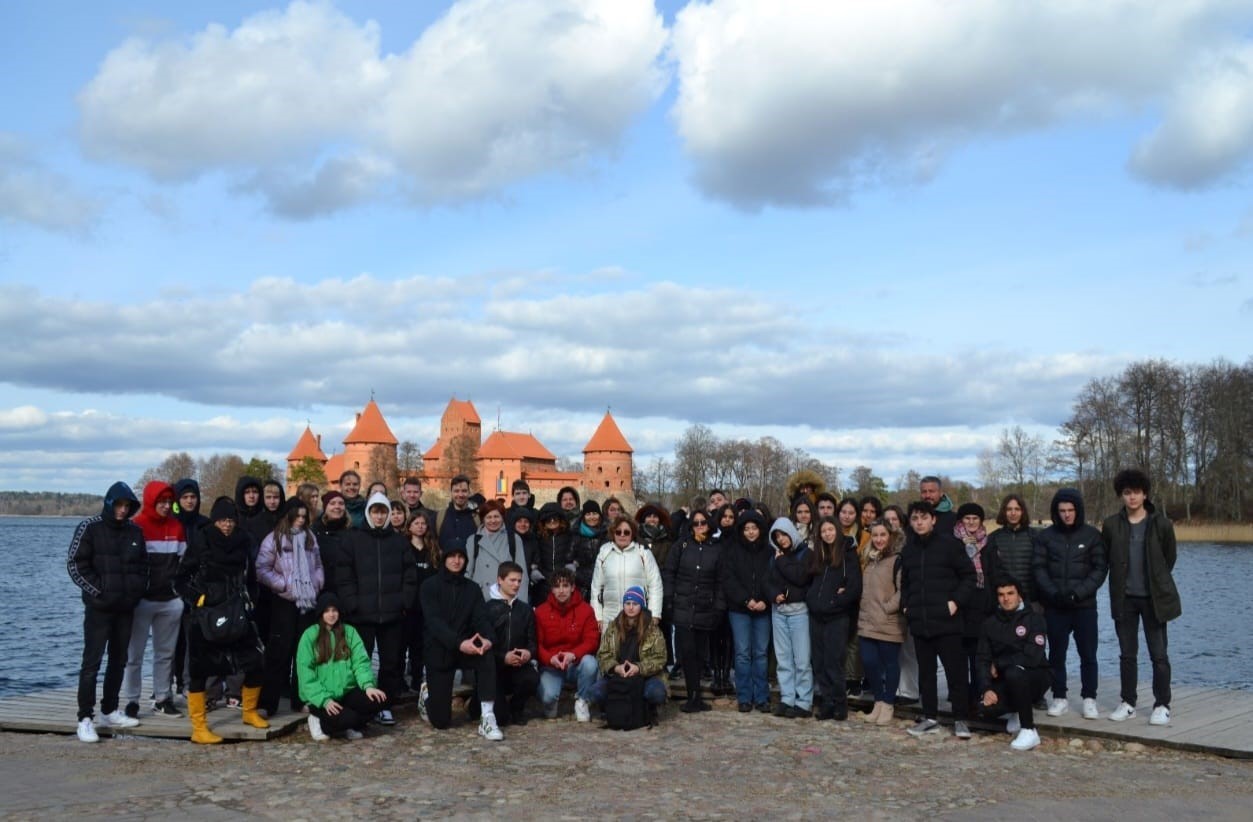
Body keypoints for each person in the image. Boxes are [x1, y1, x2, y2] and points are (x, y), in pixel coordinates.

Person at [175, 497, 268, 743]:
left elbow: (252, 578)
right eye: (222, 520)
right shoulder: (200, 541)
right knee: (199, 670)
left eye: (230, 520)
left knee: (256, 661)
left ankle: (249, 712)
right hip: (206, 615)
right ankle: (199, 727)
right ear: (215, 520)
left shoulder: (244, 541)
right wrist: (199, 599)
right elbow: (180, 579)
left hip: (238, 610)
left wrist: (252, 602)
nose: (227, 525)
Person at [67, 481, 147, 742]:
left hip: (125, 608)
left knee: (118, 661)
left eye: (127, 506)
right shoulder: (90, 528)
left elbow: (143, 567)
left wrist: (135, 592)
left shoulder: (135, 532)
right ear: (109, 504)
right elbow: (75, 565)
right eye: (119, 505)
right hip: (98, 609)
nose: (123, 510)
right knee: (91, 663)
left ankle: (109, 710)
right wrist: (98, 591)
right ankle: (85, 718)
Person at [1102, 468, 1181, 726]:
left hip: (1153, 600)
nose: (1132, 497)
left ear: (1144, 493)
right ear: (1121, 495)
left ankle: (1162, 704)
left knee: (1159, 654)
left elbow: (1169, 557)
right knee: (1127, 654)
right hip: (1124, 599)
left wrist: (1155, 581)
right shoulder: (1112, 525)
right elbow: (1106, 558)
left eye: (1136, 492)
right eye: (1127, 493)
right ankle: (1128, 703)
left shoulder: (1161, 523)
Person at [339, 492, 417, 725]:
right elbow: (344, 575)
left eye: (383, 511)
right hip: (362, 614)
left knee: (390, 663)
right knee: (361, 662)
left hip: (392, 614)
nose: (380, 515)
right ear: (368, 513)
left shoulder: (399, 541)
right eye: (376, 511)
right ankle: (363, 703)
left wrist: (404, 602)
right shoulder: (353, 540)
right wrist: (352, 604)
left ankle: (385, 706)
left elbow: (410, 576)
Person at [900, 501, 975, 739]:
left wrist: (955, 603)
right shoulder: (909, 549)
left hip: (947, 621)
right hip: (920, 621)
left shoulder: (950, 545)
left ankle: (961, 718)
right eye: (915, 518)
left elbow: (969, 576)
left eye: (924, 517)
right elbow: (906, 583)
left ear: (933, 519)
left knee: (956, 673)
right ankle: (930, 717)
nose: (919, 522)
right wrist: (906, 605)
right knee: (927, 674)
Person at [1033, 488, 1107, 720]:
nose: (1066, 514)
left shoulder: (1092, 536)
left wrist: (1078, 593)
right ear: (1056, 512)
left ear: (1078, 511)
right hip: (1055, 606)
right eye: (1062, 510)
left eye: (1070, 510)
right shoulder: (1045, 537)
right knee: (1056, 653)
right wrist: (1054, 594)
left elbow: (1099, 569)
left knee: (1088, 654)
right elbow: (1039, 569)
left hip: (1084, 606)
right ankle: (1059, 697)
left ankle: (1089, 698)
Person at [419, 539, 502, 741]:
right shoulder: (429, 586)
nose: (456, 561)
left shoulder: (472, 588)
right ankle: (426, 695)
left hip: (467, 648)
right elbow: (434, 622)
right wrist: (458, 643)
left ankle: (487, 716)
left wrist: (488, 638)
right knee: (440, 721)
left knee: (487, 656)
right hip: (440, 650)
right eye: (452, 557)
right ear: (444, 559)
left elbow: (480, 618)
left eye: (460, 557)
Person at [121, 481, 187, 720]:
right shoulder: (135, 526)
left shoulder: (177, 527)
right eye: (162, 501)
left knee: (165, 653)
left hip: (169, 601)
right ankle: (132, 701)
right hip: (141, 601)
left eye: (169, 501)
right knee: (133, 655)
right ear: (151, 501)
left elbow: (183, 564)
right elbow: (127, 565)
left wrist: (179, 595)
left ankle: (162, 698)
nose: (166, 505)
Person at [255, 498, 324, 716]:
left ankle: (300, 699)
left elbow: (319, 565)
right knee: (278, 653)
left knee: (303, 653)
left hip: (307, 601)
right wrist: (283, 584)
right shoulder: (274, 538)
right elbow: (262, 568)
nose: (301, 520)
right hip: (284, 601)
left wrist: (317, 584)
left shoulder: (311, 538)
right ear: (288, 516)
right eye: (297, 516)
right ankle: (268, 703)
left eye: (304, 517)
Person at [296, 591, 389, 741]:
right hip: (321, 697)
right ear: (321, 613)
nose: (331, 614)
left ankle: (346, 723)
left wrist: (368, 685)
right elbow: (306, 673)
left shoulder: (349, 632)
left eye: (334, 610)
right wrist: (324, 700)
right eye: (327, 611)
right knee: (349, 719)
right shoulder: (309, 636)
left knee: (378, 700)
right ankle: (317, 721)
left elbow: (361, 662)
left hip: (345, 692)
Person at [976, 578, 1051, 751]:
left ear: (1019, 596)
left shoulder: (1035, 619)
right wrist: (986, 689)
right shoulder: (989, 623)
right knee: (984, 709)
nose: (1006, 599)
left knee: (1014, 672)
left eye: (1010, 594)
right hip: (1006, 679)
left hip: (1036, 676)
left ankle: (1029, 730)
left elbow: (1033, 656)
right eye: (1001, 595)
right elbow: (982, 659)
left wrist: (1000, 663)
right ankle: (1017, 710)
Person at [664, 509, 726, 713]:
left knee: (701, 653)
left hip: (705, 607)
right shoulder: (681, 546)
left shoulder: (716, 549)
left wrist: (718, 605)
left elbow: (720, 581)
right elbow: (670, 572)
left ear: (709, 525)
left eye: (703, 522)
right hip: (682, 606)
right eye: (696, 523)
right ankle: (691, 695)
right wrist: (669, 598)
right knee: (687, 652)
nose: (700, 526)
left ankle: (698, 695)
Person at [806, 516, 862, 720]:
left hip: (837, 616)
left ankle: (840, 704)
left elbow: (854, 587)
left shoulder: (848, 553)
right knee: (819, 662)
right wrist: (812, 600)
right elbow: (811, 582)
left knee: (834, 662)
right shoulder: (818, 554)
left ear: (837, 530)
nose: (828, 534)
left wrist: (835, 602)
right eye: (824, 531)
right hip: (816, 615)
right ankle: (827, 702)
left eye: (831, 530)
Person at [722, 509, 773, 713]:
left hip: (763, 608)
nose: (751, 532)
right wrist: (746, 600)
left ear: (760, 529)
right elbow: (729, 579)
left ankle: (761, 697)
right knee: (742, 653)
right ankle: (744, 696)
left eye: (754, 528)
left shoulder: (769, 551)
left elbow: (772, 578)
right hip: (740, 609)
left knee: (760, 653)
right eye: (747, 529)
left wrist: (764, 600)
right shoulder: (733, 551)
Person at [589, 586, 668, 717]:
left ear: (641, 605)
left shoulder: (652, 629)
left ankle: (647, 708)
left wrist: (638, 668)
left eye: (635, 604)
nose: (631, 607)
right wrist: (615, 667)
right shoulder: (613, 627)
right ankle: (613, 707)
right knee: (595, 693)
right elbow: (603, 654)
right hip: (618, 676)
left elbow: (660, 658)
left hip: (646, 676)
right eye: (627, 603)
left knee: (656, 693)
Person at [535, 568, 600, 721]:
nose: (561, 590)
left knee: (590, 664)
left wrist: (574, 654)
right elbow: (536, 644)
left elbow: (592, 640)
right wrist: (550, 658)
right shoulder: (540, 612)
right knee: (548, 697)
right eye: (557, 586)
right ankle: (550, 704)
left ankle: (583, 700)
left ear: (572, 588)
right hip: (552, 665)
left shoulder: (586, 610)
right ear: (552, 589)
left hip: (576, 663)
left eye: (565, 586)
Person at [858, 519, 906, 726]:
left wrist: (887, 608)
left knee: (890, 664)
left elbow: (903, 590)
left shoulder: (897, 560)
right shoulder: (869, 559)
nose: (878, 539)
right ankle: (878, 700)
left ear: (891, 536)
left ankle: (888, 703)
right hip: (866, 621)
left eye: (882, 535)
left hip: (888, 622)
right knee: (869, 663)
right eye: (875, 535)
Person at [766, 517, 813, 717]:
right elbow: (766, 581)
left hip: (799, 611)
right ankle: (787, 698)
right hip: (778, 612)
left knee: (802, 659)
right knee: (783, 659)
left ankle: (804, 701)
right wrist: (772, 594)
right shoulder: (773, 557)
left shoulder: (805, 554)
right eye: (777, 536)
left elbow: (800, 577)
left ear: (791, 533)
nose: (781, 539)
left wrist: (781, 560)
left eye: (783, 534)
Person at [956, 502, 1001, 699]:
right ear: (961, 521)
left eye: (975, 518)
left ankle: (978, 692)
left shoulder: (989, 543)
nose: (971, 522)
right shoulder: (954, 542)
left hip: (983, 602)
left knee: (979, 651)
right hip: (961, 602)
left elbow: (994, 572)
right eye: (967, 518)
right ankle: (959, 693)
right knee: (959, 653)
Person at [485, 561, 539, 726]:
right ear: (500, 580)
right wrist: (503, 657)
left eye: (519, 581)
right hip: (494, 666)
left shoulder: (525, 609)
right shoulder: (487, 609)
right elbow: (485, 645)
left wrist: (527, 653)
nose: (516, 585)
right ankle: (479, 704)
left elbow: (532, 642)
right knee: (500, 719)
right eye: (512, 580)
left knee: (532, 678)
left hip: (518, 666)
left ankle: (517, 708)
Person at [592, 517, 664, 629]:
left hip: (638, 618)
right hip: (610, 617)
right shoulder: (604, 552)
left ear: (632, 534)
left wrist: (654, 614)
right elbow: (596, 587)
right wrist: (597, 616)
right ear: (613, 533)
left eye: (626, 532)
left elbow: (655, 585)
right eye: (618, 532)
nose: (622, 535)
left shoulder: (643, 553)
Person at [404, 511, 441, 692]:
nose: (420, 526)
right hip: (409, 605)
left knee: (422, 645)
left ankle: (418, 680)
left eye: (423, 523)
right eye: (416, 523)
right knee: (406, 644)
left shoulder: (432, 549)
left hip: (427, 605)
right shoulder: (403, 547)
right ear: (409, 526)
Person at [467, 500, 529, 603]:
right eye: (489, 517)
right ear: (483, 519)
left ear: (502, 518)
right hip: (480, 598)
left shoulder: (513, 539)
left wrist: (521, 604)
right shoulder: (473, 540)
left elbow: (522, 574)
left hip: (506, 598)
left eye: (496, 516)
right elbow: (468, 573)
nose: (493, 521)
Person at [987, 495, 1036, 604]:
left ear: (1022, 511)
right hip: (1004, 600)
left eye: (1017, 509)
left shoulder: (1035, 536)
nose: (1013, 513)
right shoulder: (993, 538)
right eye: (1009, 509)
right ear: (1004, 512)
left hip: (1030, 600)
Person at [532, 502, 573, 605]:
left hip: (564, 582)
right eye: (548, 519)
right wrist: (534, 569)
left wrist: (573, 565)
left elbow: (574, 553)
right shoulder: (538, 537)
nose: (552, 521)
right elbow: (534, 555)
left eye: (555, 518)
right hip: (543, 583)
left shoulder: (568, 536)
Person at [313, 491, 351, 595]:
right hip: (322, 592)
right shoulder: (314, 532)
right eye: (332, 503)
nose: (337, 506)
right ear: (325, 507)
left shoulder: (353, 533)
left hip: (346, 592)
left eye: (341, 503)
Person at [571, 500, 607, 602]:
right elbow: (569, 559)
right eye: (588, 514)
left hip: (603, 585)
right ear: (583, 516)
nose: (592, 517)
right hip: (581, 587)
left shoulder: (608, 533)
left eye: (595, 513)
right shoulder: (575, 534)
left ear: (599, 515)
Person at [437, 474, 478, 554]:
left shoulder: (477, 518)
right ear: (451, 492)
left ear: (469, 492)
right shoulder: (439, 518)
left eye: (464, 491)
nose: (460, 495)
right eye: (456, 491)